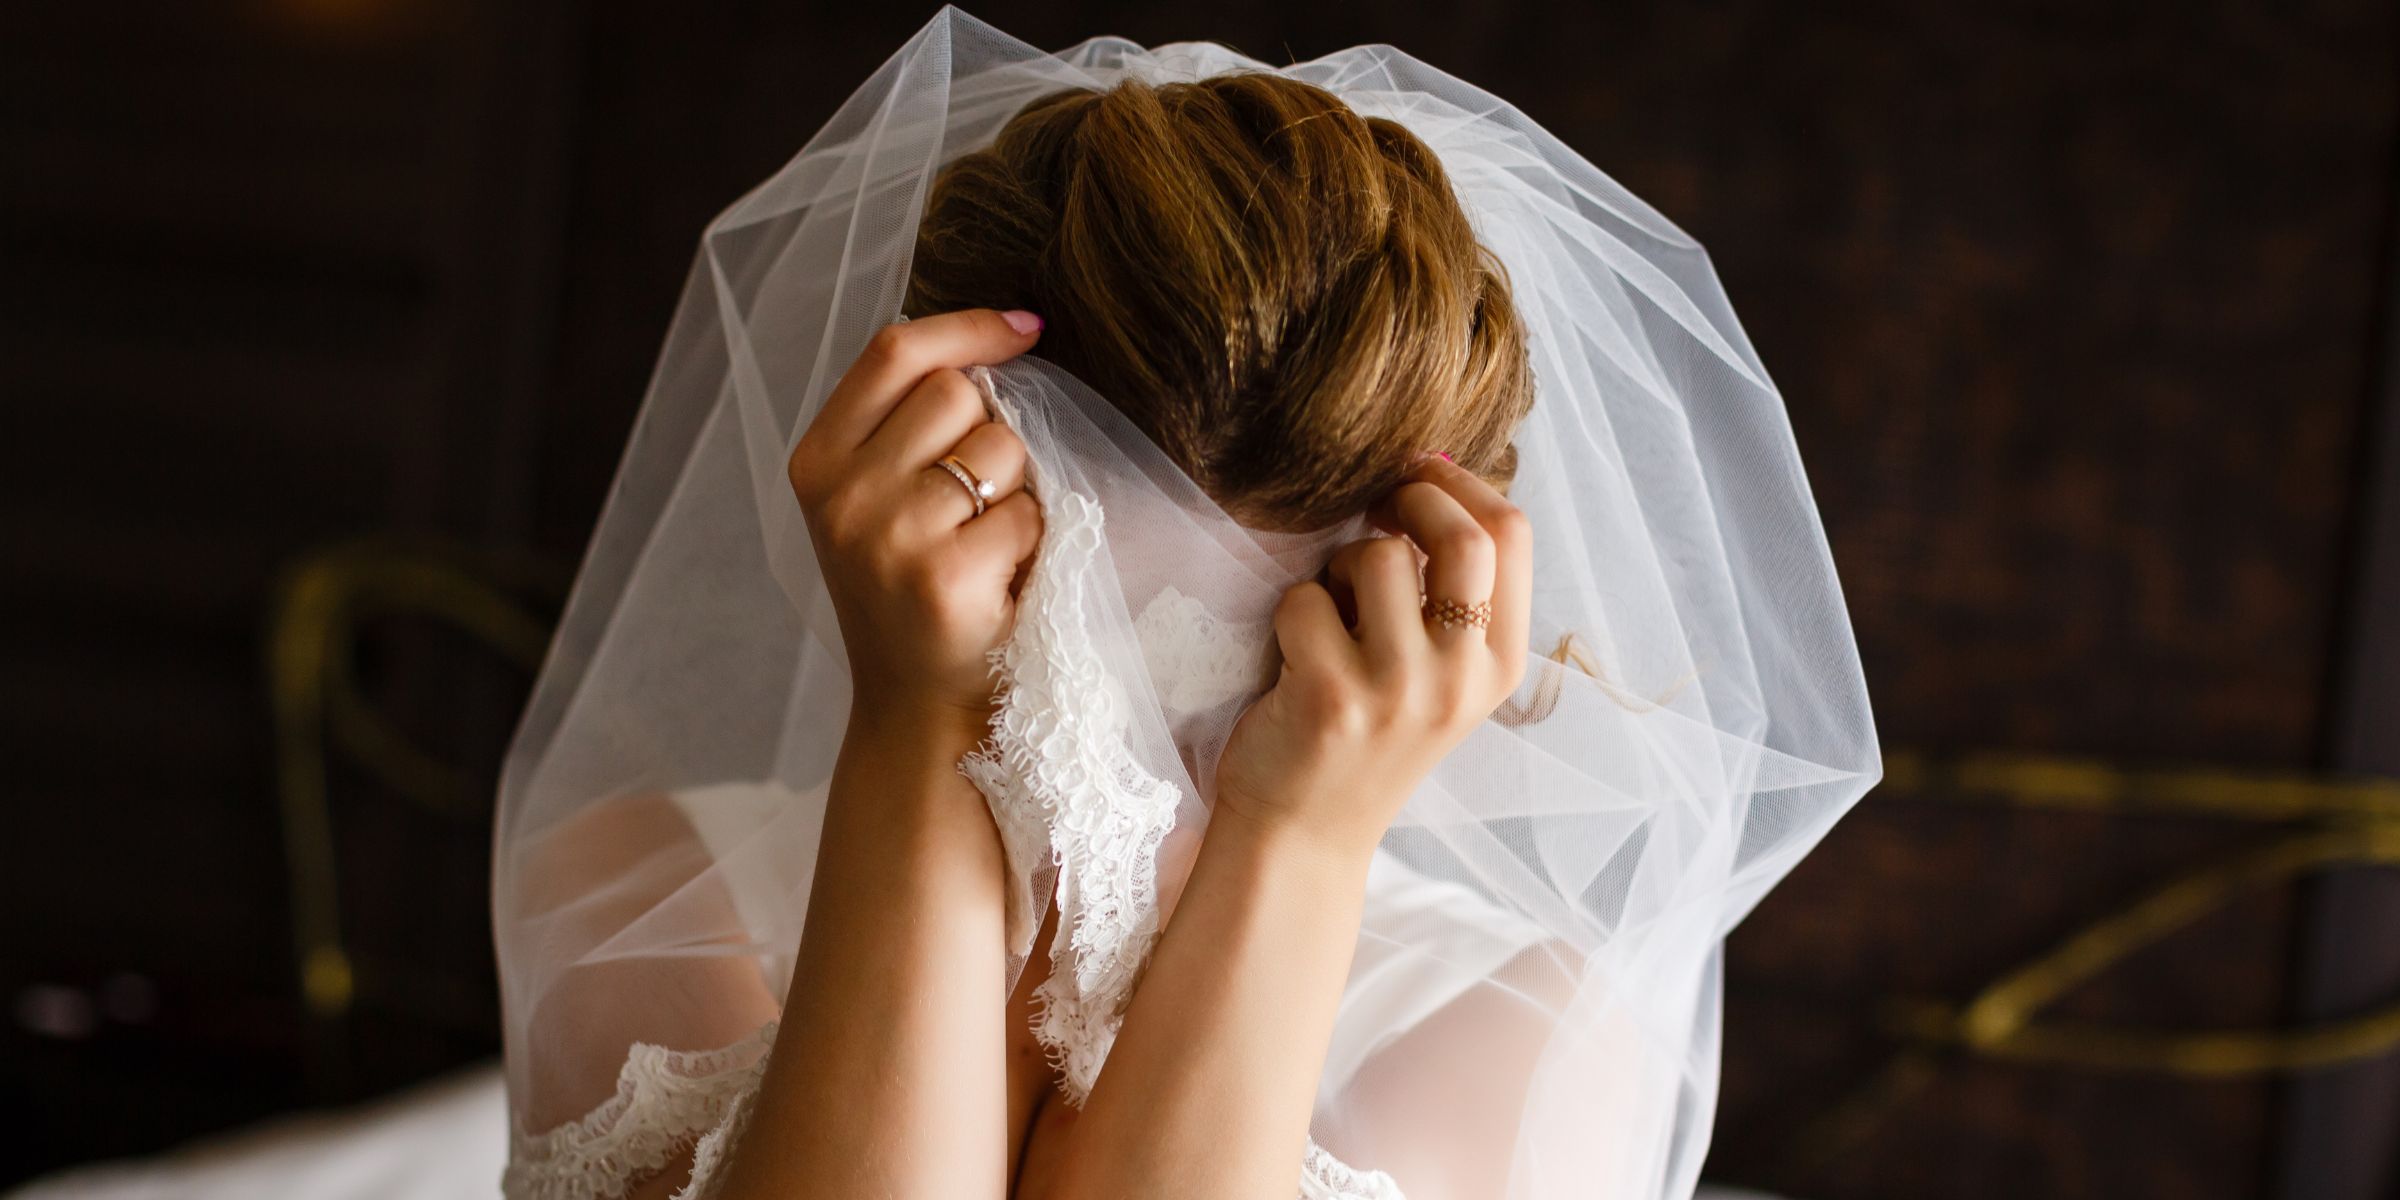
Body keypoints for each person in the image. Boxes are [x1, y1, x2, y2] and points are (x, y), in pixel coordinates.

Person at [493, 12, 1879, 1200]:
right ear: (909, 540)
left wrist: (1299, 839)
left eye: (1244, 692)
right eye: (1063, 660)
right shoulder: (647, 897)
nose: (1131, 787)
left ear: (1413, 635)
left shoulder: (1521, 1037)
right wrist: (927, 732)